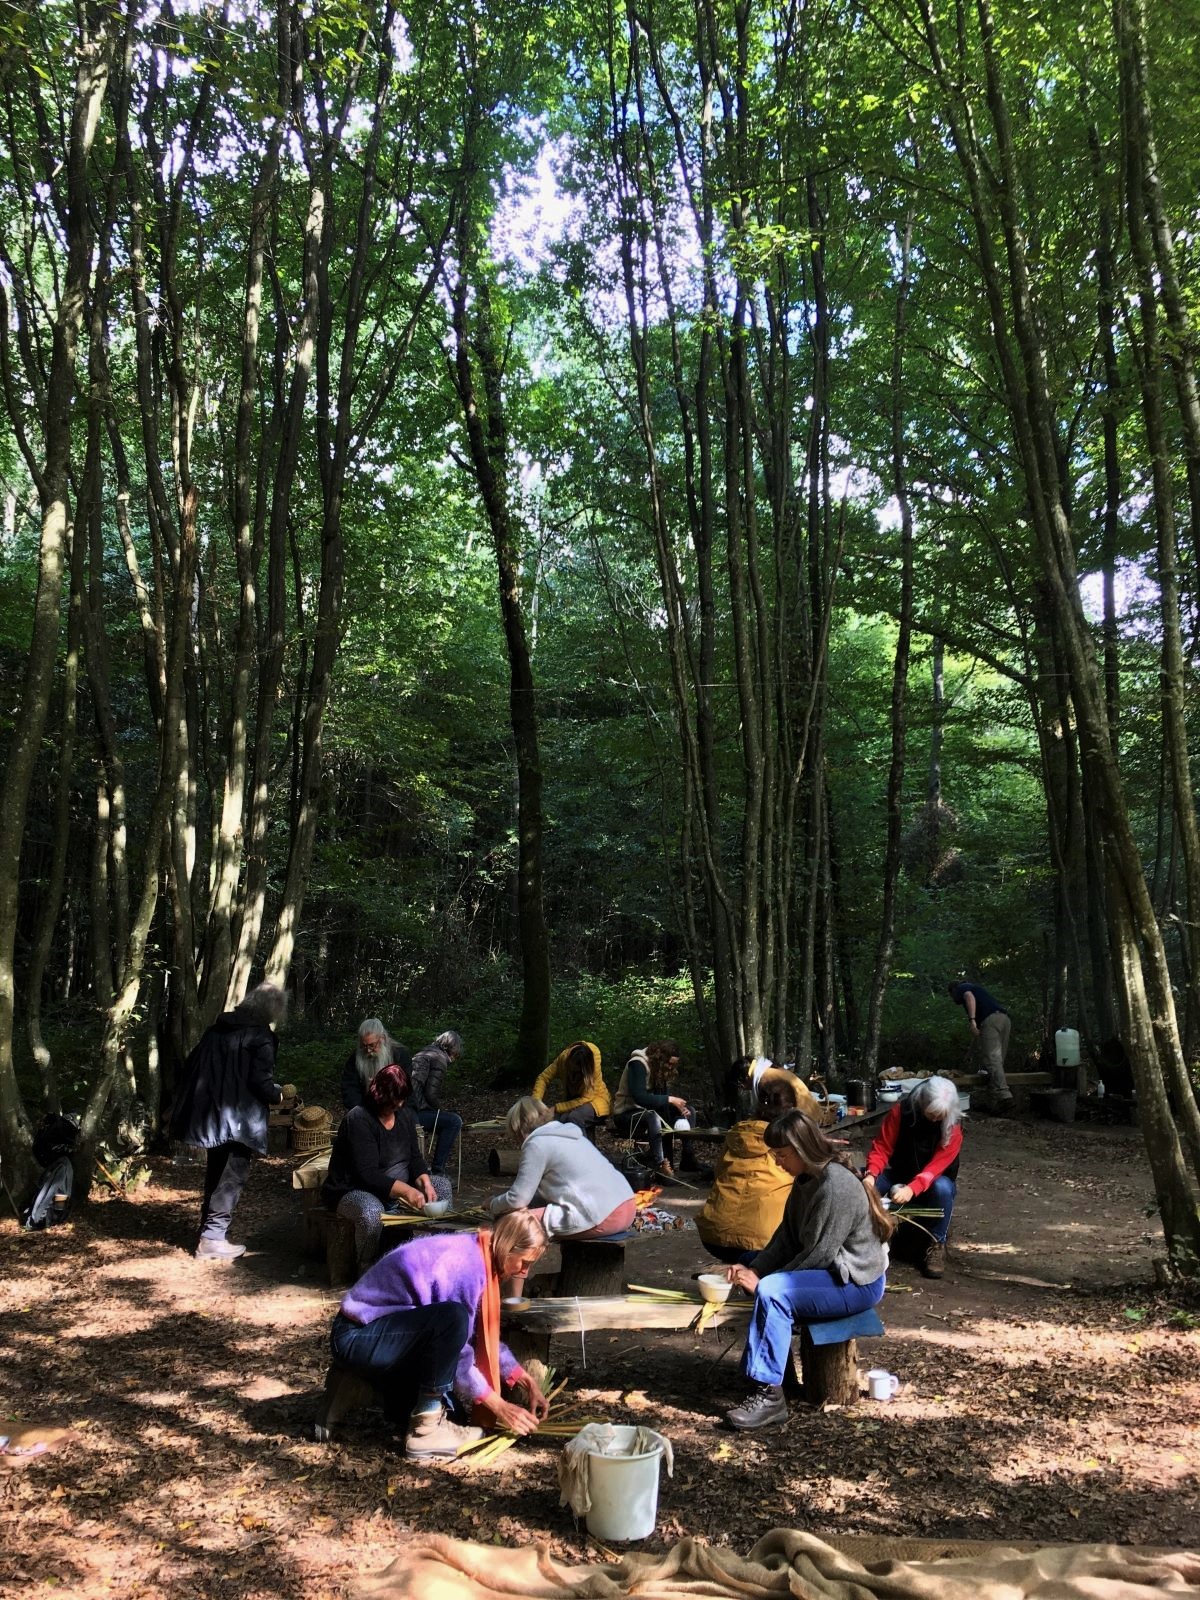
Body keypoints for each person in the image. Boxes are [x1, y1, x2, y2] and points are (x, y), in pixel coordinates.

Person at [322, 1210, 550, 1460]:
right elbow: (459, 1349)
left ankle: (387, 1398)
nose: (525, 1272)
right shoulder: (467, 1267)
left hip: (388, 1334)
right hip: (357, 1336)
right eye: (524, 1263)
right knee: (452, 1318)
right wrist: (499, 1405)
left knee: (457, 1418)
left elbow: (478, 1336)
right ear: (507, 1248)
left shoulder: (480, 1251)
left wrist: (523, 1379)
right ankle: (426, 1430)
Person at [723, 1109, 894, 1431]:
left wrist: (762, 1282)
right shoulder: (804, 1181)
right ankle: (775, 1378)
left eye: (782, 1155)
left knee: (773, 1292)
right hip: (828, 1274)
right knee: (756, 1266)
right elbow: (785, 1240)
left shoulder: (835, 1186)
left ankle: (770, 1399)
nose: (777, 1162)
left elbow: (818, 1254)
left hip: (854, 1282)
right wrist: (753, 1267)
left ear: (802, 1149)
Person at [169, 982, 286, 1260]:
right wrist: (277, 1095)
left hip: (213, 1116)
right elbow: (261, 1082)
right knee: (231, 1177)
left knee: (216, 1173)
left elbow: (194, 1065)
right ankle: (212, 1238)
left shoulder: (217, 1030)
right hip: (240, 1121)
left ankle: (208, 1232)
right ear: (270, 1009)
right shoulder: (260, 1037)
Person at [322, 1063, 453, 1272]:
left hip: (397, 1188)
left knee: (442, 1187)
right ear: (379, 1095)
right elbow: (367, 1174)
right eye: (393, 1101)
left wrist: (425, 1182)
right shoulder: (359, 1119)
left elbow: (415, 1158)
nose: (399, 1105)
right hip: (353, 1189)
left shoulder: (405, 1115)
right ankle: (367, 1266)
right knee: (371, 1212)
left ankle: (444, 1258)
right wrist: (408, 1191)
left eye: (401, 1100)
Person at [696, 1059, 822, 1264]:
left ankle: (743, 1269)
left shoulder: (738, 1133)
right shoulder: (788, 1144)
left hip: (714, 1235)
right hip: (763, 1242)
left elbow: (719, 1171)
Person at [489, 1097, 636, 1243]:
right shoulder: (571, 1135)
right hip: (627, 1206)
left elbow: (518, 1199)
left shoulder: (536, 1144)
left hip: (602, 1216)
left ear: (518, 1130)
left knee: (512, 1223)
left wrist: (493, 1204)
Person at [863, 1074, 962, 1279]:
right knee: (864, 1187)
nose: (935, 1119)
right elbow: (882, 1147)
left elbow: (936, 1167)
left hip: (934, 1180)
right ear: (922, 1102)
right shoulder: (901, 1112)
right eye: (931, 1114)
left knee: (943, 1189)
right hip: (900, 1173)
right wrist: (871, 1174)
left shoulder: (953, 1126)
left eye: (940, 1116)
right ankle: (862, 1242)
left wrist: (912, 1188)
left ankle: (936, 1243)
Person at [612, 1039, 707, 1179]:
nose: (670, 1067)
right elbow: (640, 1098)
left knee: (690, 1111)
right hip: (627, 1114)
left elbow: (661, 1100)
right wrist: (670, 1100)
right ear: (660, 1059)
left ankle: (687, 1159)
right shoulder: (638, 1064)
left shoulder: (660, 1069)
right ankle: (660, 1164)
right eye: (669, 1063)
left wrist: (680, 1110)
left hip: (650, 1113)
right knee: (653, 1117)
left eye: (673, 1064)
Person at [948, 979, 1014, 1112]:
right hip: (1004, 1019)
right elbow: (979, 1035)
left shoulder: (963, 988)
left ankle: (1005, 1096)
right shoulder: (980, 996)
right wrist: (969, 1054)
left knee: (992, 1061)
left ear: (953, 990)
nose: (953, 999)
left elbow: (968, 996)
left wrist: (971, 1020)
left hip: (991, 1021)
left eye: (951, 995)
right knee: (997, 1062)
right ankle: (995, 1104)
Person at [408, 1030, 465, 1177]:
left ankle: (425, 1168)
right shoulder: (439, 1058)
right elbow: (430, 1094)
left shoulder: (425, 1052)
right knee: (454, 1121)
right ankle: (438, 1172)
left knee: (446, 1119)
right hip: (412, 1112)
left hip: (406, 1109)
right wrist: (442, 1110)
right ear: (452, 1048)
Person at [531, 1041, 611, 1133]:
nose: (573, 1071)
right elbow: (543, 1078)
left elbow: (587, 1097)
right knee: (558, 1119)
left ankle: (582, 1147)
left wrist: (556, 1108)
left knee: (575, 1117)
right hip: (574, 1103)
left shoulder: (593, 1062)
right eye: (572, 1068)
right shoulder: (563, 1059)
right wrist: (536, 1102)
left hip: (596, 1101)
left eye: (578, 1071)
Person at [342, 1018, 413, 1111]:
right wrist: (359, 1110)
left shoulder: (400, 1054)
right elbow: (350, 1087)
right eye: (364, 1046)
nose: (368, 1050)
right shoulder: (355, 1058)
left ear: (382, 1038)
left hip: (395, 1107)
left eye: (372, 1045)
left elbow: (405, 1088)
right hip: (365, 1107)